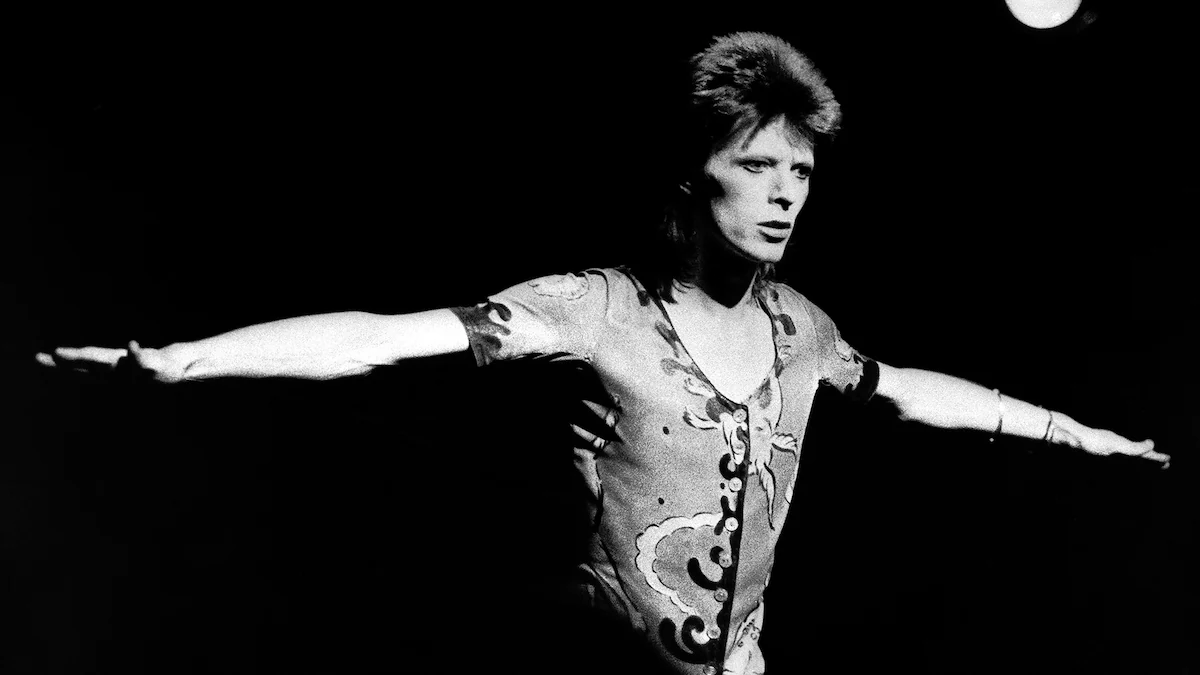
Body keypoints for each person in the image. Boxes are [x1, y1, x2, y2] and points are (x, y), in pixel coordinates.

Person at [36, 32, 1169, 675]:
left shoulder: (804, 329)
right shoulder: (595, 308)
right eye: (758, 166)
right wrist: (185, 360)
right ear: (692, 177)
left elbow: (909, 390)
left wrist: (1078, 433)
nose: (786, 193)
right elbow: (384, 338)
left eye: (801, 172)